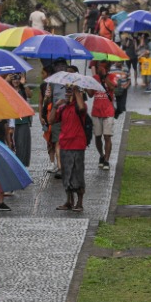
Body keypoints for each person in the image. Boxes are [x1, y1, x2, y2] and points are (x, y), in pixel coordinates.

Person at [55, 82, 91, 212]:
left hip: (77, 145)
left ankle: (79, 202)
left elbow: (82, 108)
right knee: (66, 174)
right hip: (65, 144)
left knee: (77, 173)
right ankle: (69, 201)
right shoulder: (63, 108)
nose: (68, 92)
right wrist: (55, 106)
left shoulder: (81, 106)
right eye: (67, 90)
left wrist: (77, 91)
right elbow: (52, 119)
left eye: (70, 90)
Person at [7, 73, 34, 169]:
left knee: (22, 144)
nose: (16, 81)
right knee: (11, 145)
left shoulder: (23, 90)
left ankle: (21, 167)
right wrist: (6, 81)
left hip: (22, 121)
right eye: (14, 78)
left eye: (18, 78)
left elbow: (30, 95)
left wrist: (25, 84)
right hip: (10, 121)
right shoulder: (7, 88)